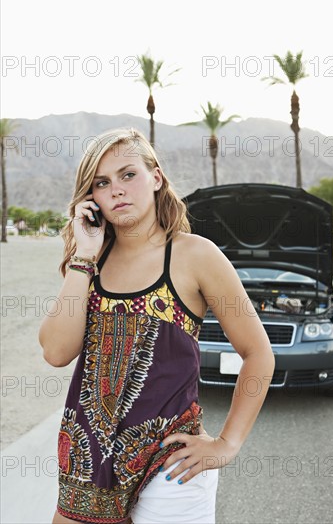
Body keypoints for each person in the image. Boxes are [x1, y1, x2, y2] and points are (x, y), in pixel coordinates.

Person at [39, 127, 275, 524]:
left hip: (171, 462)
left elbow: (258, 354)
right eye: (102, 182)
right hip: (88, 462)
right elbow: (56, 352)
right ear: (90, 198)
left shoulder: (195, 255)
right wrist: (82, 255)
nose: (116, 190)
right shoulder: (88, 262)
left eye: (128, 174)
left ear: (156, 178)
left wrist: (226, 443)